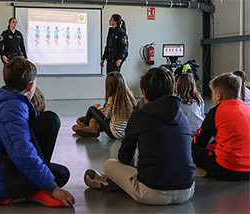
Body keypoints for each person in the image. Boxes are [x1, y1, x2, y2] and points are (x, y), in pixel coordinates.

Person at [83, 67, 196, 205]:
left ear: (144, 93)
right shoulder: (182, 116)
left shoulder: (140, 116)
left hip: (154, 193)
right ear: (172, 90)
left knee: (109, 165)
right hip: (187, 190)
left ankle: (118, 183)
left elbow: (124, 158)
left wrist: (136, 167)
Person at [0, 57, 75, 207]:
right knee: (50, 119)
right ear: (31, 86)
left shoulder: (4, 100)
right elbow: (23, 152)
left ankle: (30, 189)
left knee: (62, 174)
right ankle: (32, 190)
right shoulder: (12, 107)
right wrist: (51, 188)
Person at [192, 72, 250, 180]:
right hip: (248, 170)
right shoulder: (247, 108)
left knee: (191, 148)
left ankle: (197, 169)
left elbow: (200, 140)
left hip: (227, 169)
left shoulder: (217, 111)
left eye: (213, 94)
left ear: (218, 96)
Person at [72, 72, 136, 139]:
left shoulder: (112, 99)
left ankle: (85, 126)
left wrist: (98, 108)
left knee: (92, 109)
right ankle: (93, 127)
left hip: (114, 133)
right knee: (101, 108)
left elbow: (106, 116)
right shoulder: (129, 97)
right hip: (126, 133)